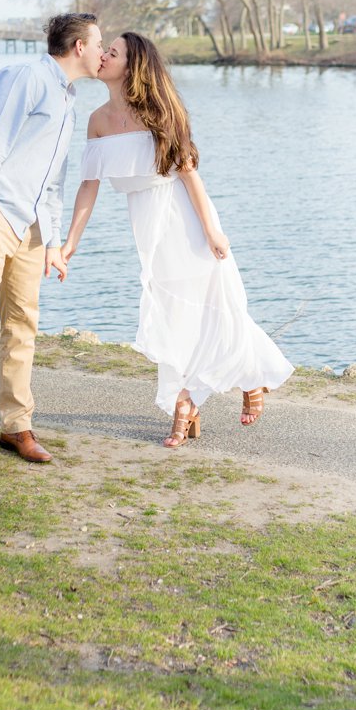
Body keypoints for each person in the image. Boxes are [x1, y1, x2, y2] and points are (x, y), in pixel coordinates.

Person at [61, 32, 293, 447]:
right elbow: (88, 187)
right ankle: (245, 379)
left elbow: (189, 175)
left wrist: (211, 230)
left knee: (213, 306)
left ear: (132, 67)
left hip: (184, 219)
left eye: (112, 53)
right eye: (105, 50)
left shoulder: (159, 112)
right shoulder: (97, 120)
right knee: (172, 312)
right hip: (148, 228)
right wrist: (70, 242)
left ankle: (187, 402)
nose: (103, 56)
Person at [0, 13, 104, 488]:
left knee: (22, 327)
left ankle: (15, 427)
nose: (103, 52)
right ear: (78, 46)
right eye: (99, 43)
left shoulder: (67, 98)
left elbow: (51, 179)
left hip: (31, 228)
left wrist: (52, 240)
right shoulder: (28, 77)